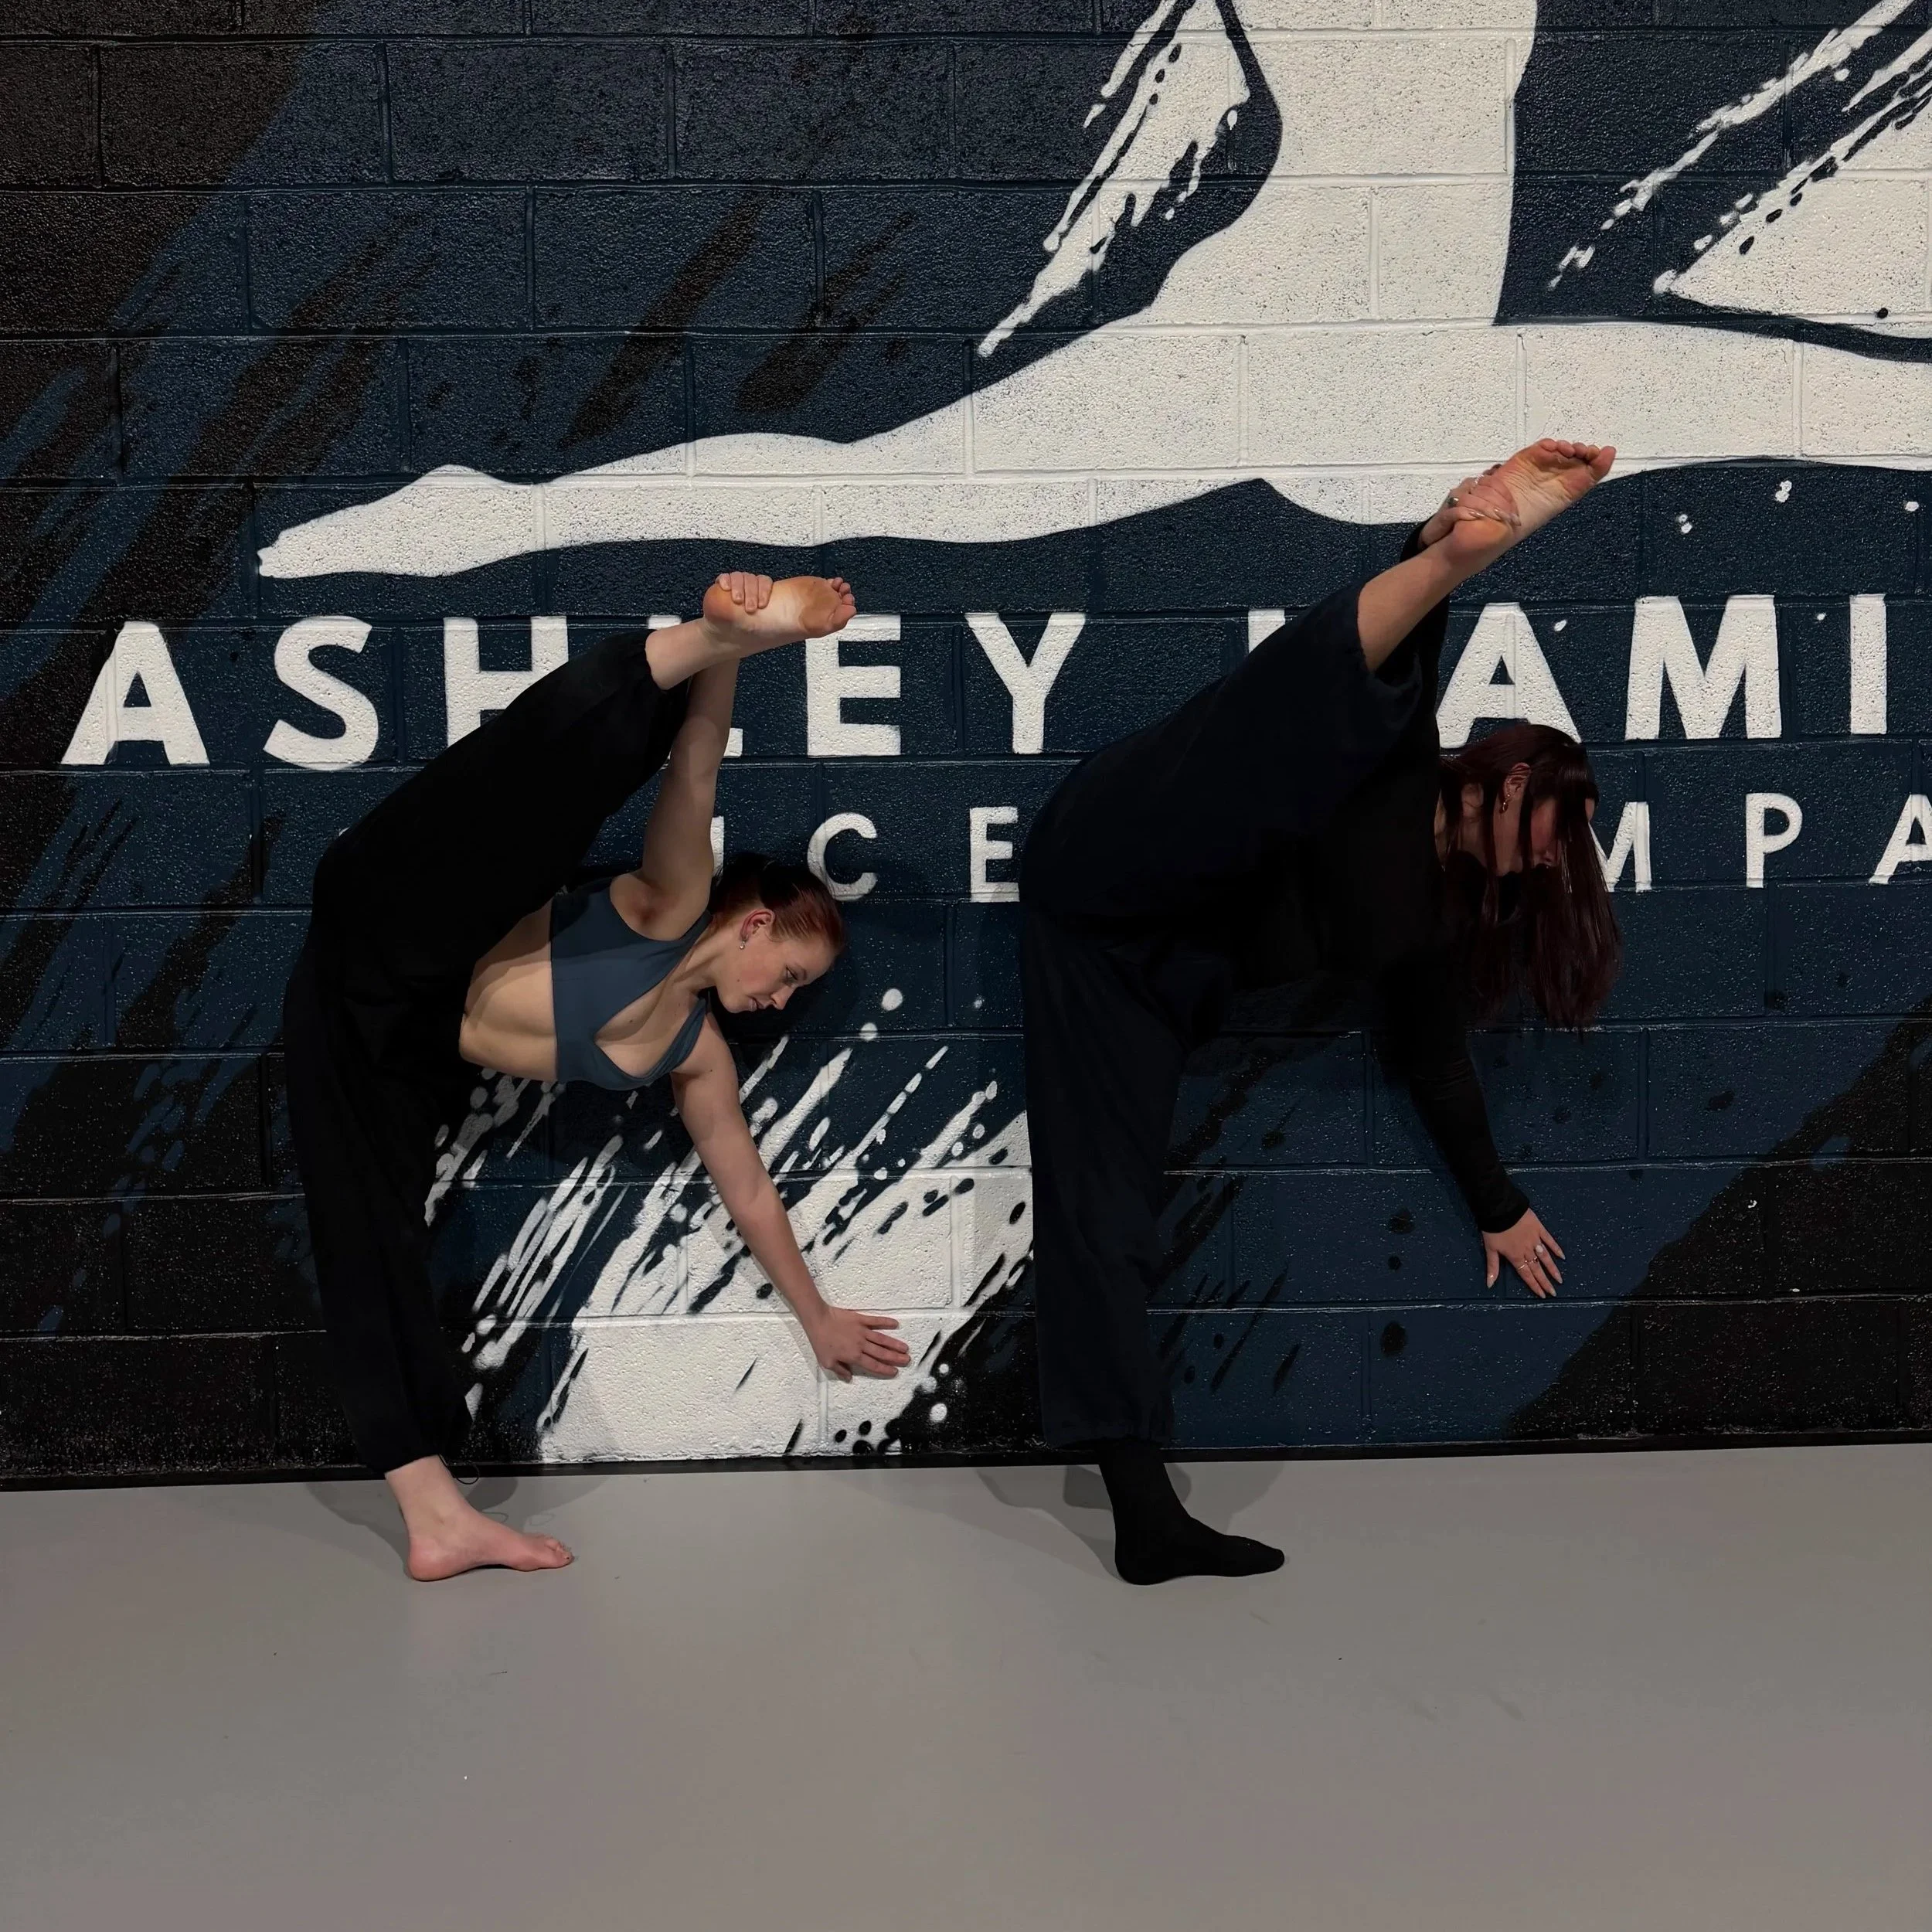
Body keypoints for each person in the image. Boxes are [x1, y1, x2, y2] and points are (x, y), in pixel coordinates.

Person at [1018, 440, 1624, 1586]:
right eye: (1547, 835)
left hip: (1134, 976)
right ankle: (1456, 548)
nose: (1546, 866)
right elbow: (1378, 671)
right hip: (1114, 844)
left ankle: (1144, 1516)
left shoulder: (1428, 921)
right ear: (1502, 783)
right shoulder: (1396, 767)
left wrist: (1496, 1205)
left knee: (1107, 1220)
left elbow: (1434, 1057)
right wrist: (1439, 552)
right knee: (1290, 721)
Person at [281, 572, 912, 1583]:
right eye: (788, 974)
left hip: (381, 1031)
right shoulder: (666, 909)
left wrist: (819, 1314)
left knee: (372, 1244)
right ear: (755, 923)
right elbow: (695, 771)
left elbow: (744, 1186)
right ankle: (683, 644)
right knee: (516, 807)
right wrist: (734, 650)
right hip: (396, 910)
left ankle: (435, 1517)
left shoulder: (692, 1051)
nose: (782, 1001)